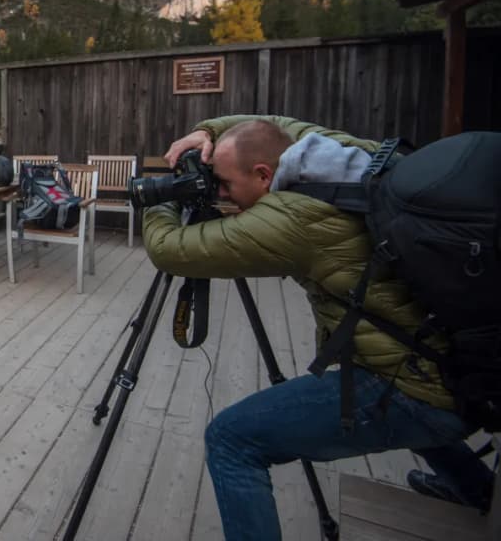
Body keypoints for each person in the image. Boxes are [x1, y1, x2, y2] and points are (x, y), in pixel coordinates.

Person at [144, 115, 494, 540]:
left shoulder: (291, 220)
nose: (220, 193)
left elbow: (169, 249)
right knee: (418, 382)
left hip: (418, 388)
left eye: (226, 184)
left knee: (232, 440)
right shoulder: (331, 150)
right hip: (460, 369)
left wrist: (163, 197)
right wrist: (208, 131)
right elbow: (271, 121)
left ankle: (461, 469)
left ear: (263, 174)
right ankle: (478, 489)